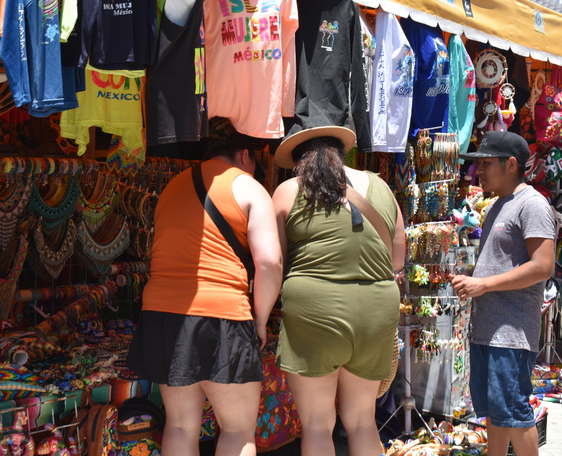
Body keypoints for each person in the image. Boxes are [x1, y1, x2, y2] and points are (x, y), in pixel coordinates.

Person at [127, 122, 282, 456]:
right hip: (221, 317)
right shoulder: (249, 187)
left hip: (163, 317)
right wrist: (260, 320)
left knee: (180, 426)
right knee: (238, 431)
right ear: (245, 155)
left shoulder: (172, 187)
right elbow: (270, 263)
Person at [271, 126, 405, 456]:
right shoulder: (381, 187)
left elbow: (275, 262)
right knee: (362, 421)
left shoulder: (289, 190)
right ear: (340, 152)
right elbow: (397, 259)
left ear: (299, 161)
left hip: (314, 309)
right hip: (375, 309)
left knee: (318, 424)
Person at [454, 131, 555, 456]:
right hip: (487, 331)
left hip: (510, 334)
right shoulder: (498, 205)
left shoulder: (533, 204)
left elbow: (543, 266)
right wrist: (474, 277)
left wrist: (483, 284)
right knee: (497, 414)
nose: (477, 171)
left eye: (485, 164)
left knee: (514, 414)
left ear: (510, 164)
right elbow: (502, 264)